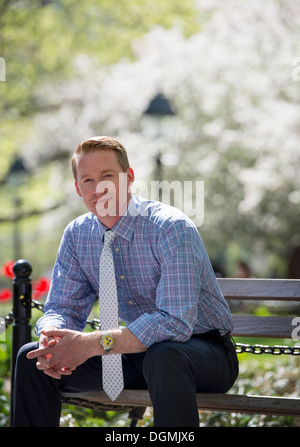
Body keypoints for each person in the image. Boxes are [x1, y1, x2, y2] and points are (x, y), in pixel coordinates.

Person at [12, 136, 238, 427]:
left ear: (129, 178)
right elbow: (63, 306)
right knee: (32, 358)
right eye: (88, 180)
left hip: (204, 354)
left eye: (107, 176)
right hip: (133, 354)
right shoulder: (77, 235)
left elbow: (175, 324)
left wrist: (92, 344)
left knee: (165, 355)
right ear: (78, 188)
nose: (98, 189)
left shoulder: (170, 228)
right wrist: (52, 335)